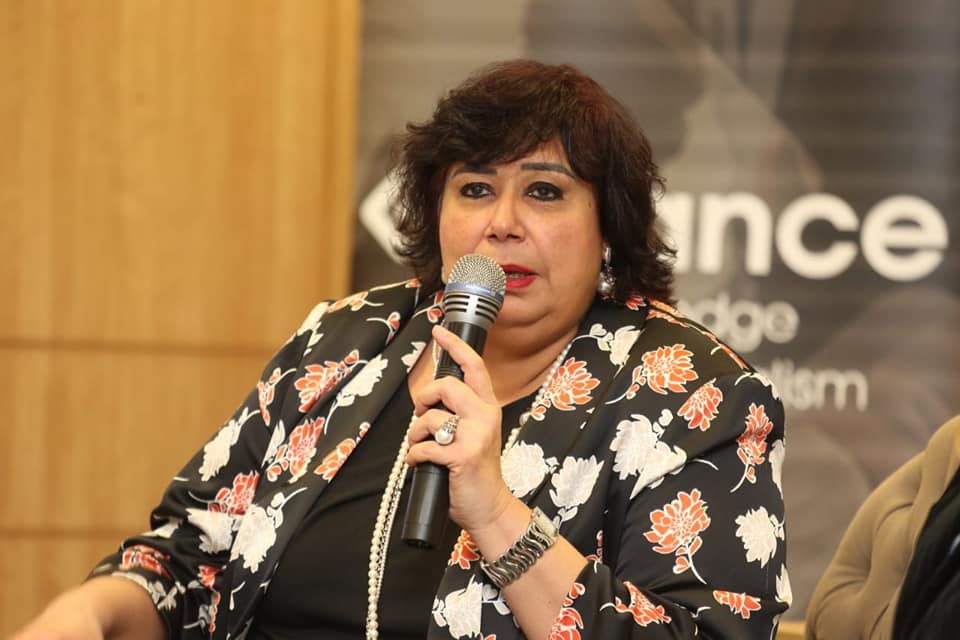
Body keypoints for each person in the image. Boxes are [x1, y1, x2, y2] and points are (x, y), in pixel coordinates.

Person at [14, 59, 788, 639]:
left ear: (609, 226)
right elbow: (192, 557)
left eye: (545, 191)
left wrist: (495, 514)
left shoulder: (693, 392)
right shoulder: (346, 338)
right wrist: (93, 611)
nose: (502, 223)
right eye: (474, 188)